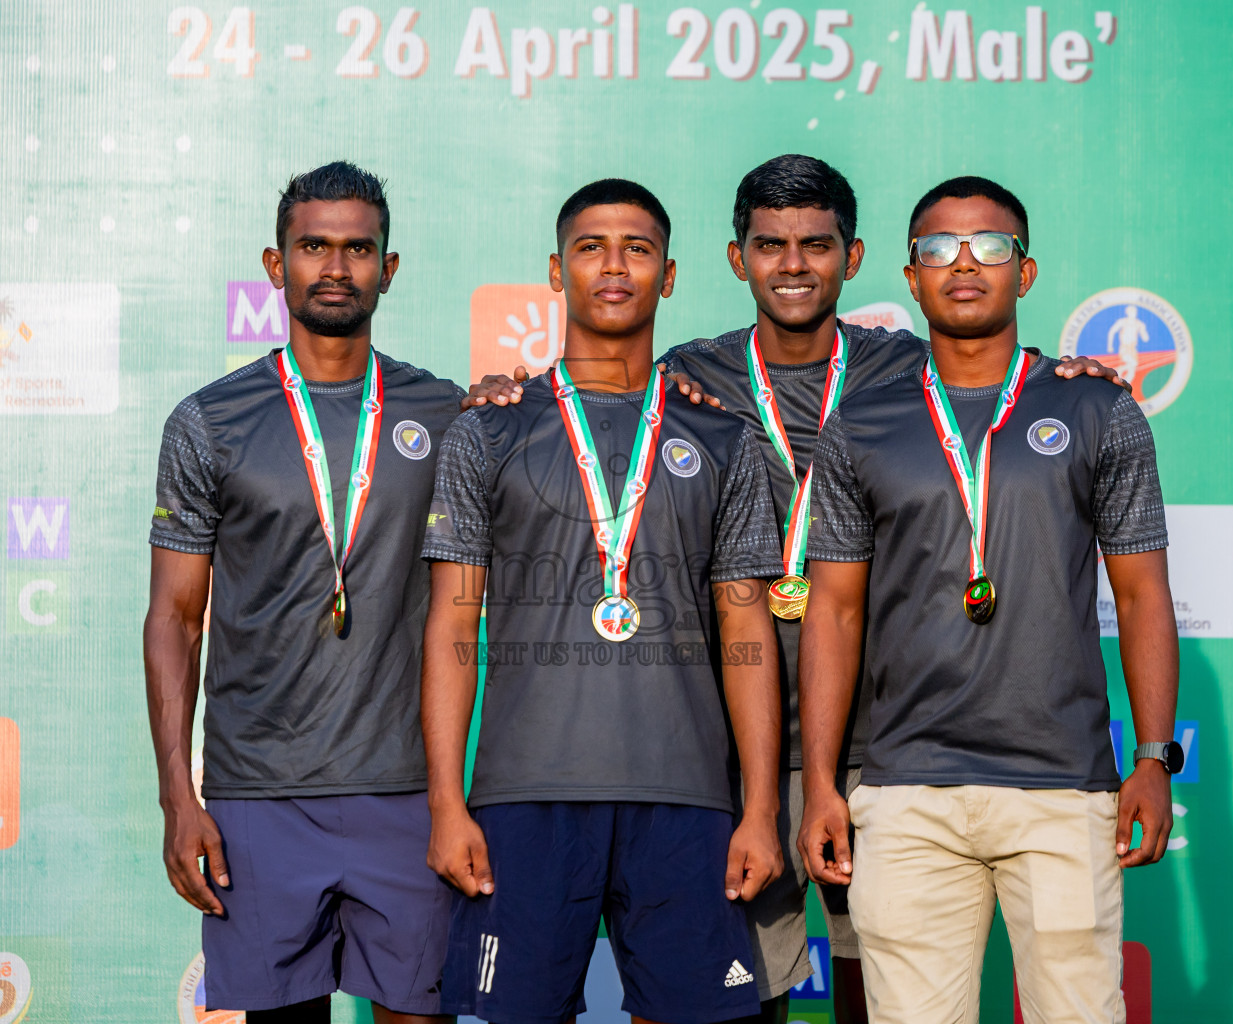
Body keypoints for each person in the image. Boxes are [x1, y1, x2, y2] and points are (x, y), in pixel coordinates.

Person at [463, 156, 1127, 1024]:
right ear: (737, 260)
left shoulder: (903, 369)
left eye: (816, 245)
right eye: (770, 246)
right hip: (740, 758)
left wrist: (1070, 372)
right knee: (748, 992)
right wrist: (499, 390)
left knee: (884, 984)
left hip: (886, 746)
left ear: (852, 260)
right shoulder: (682, 379)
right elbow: (583, 397)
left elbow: (997, 377)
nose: (793, 265)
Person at [797, 175, 1180, 1024]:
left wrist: (1152, 757)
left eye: (990, 247)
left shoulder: (1095, 407)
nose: (963, 264)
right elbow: (833, 612)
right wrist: (822, 782)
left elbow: (1143, 593)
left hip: (1063, 793)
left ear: (1027, 271)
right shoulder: (861, 425)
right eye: (939, 249)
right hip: (905, 796)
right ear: (910, 274)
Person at [421, 179, 786, 1024]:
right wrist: (448, 802)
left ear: (668, 276)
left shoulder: (725, 438)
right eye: (591, 248)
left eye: (637, 249)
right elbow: (453, 623)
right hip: (525, 795)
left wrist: (760, 806)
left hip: (688, 797)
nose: (613, 267)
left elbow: (746, 624)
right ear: (557, 271)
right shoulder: (489, 430)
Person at [143, 161, 464, 1024]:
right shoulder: (210, 420)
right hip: (258, 796)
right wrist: (180, 797)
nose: (335, 267)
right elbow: (173, 617)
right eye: (312, 246)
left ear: (387, 269)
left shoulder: (447, 413)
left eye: (358, 248)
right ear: (274, 263)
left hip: (406, 793)